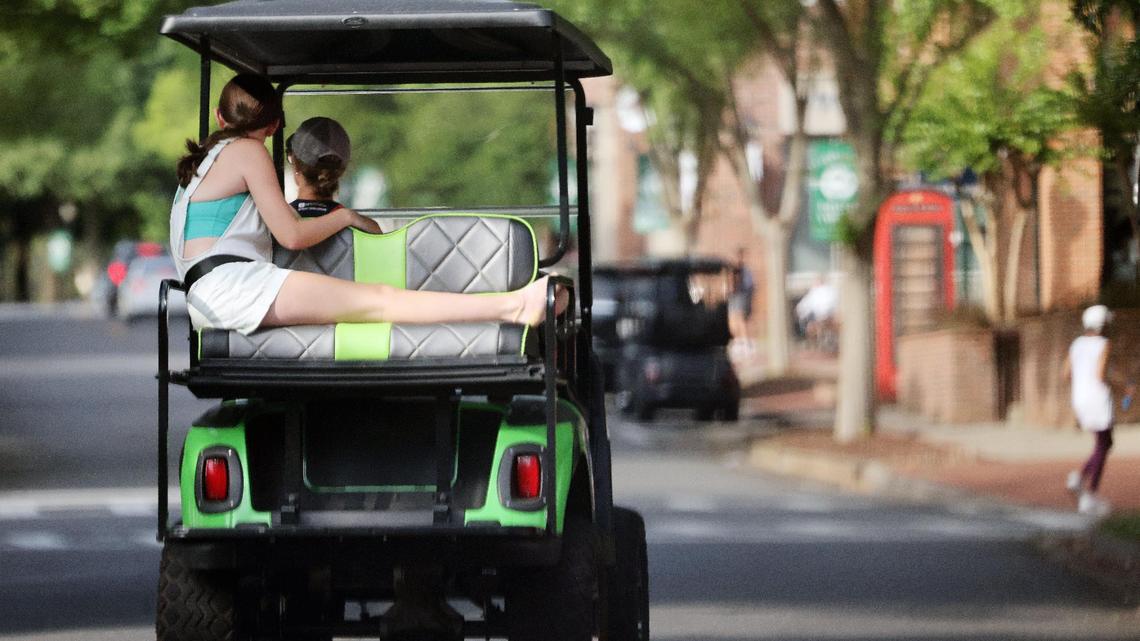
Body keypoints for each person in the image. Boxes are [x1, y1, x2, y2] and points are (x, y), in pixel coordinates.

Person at [170, 74, 562, 336]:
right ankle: (514, 307)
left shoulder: (206, 161)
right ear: (273, 127)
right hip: (234, 289)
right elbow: (291, 235)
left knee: (375, 301)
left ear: (220, 117)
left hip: (210, 291)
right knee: (378, 300)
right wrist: (345, 216)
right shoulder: (247, 151)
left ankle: (513, 307)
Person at [1062, 305, 1131, 516]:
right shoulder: (1104, 344)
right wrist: (1124, 386)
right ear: (1102, 325)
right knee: (1104, 444)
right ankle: (1088, 494)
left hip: (1080, 398)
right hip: (1098, 398)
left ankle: (1079, 479)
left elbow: (1065, 373)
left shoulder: (1076, 344)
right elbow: (1101, 374)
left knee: (1104, 443)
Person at [727, 247, 755, 353]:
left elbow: (749, 285)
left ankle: (745, 342)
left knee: (740, 318)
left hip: (741, 295)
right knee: (732, 319)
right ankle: (738, 341)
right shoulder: (733, 268)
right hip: (733, 296)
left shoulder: (745, 270)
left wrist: (747, 296)